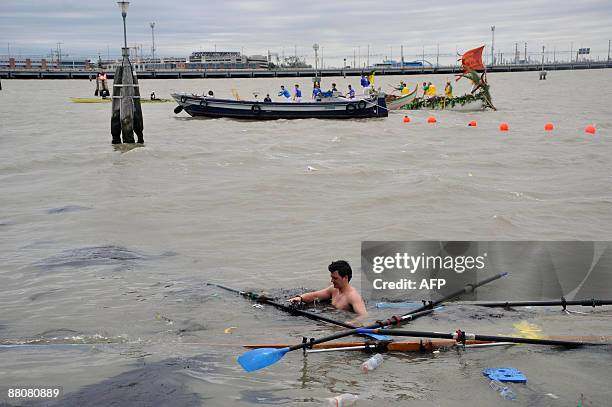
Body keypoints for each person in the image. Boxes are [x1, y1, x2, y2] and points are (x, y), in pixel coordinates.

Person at [288, 260, 367, 318]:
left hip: (343, 325)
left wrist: (352, 323)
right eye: (331, 277)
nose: (332, 281)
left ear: (345, 277)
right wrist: (300, 298)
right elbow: (315, 295)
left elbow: (363, 316)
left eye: (335, 278)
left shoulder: (353, 296)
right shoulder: (333, 289)